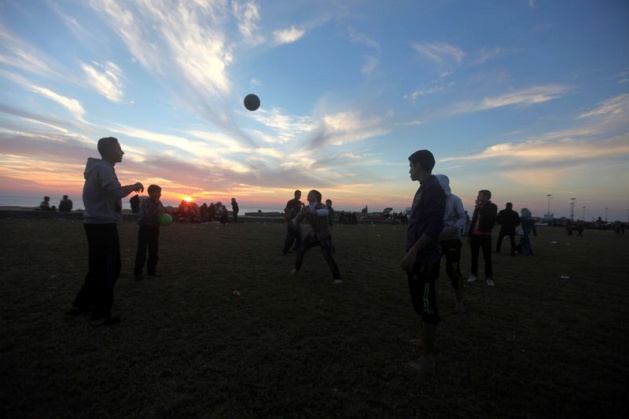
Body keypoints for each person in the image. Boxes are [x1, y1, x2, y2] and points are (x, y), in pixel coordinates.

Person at [66, 137, 144, 326]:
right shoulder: (103, 168)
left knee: (97, 267)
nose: (122, 152)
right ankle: (101, 313)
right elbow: (116, 192)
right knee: (110, 268)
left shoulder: (99, 169)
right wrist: (134, 187)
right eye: (119, 148)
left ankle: (81, 303)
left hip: (94, 223)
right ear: (109, 150)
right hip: (102, 225)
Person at [401, 150, 445, 373]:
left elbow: (435, 228)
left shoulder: (433, 190)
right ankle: (423, 340)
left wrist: (413, 252)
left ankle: (427, 359)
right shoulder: (424, 188)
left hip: (425, 258)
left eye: (410, 165)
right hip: (418, 256)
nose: (409, 169)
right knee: (419, 303)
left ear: (419, 165)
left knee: (427, 307)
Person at [291, 190, 342, 284]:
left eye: (310, 194)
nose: (308, 195)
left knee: (327, 256)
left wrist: (313, 212)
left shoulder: (321, 206)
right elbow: (297, 218)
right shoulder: (305, 208)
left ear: (315, 197)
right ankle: (297, 268)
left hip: (324, 235)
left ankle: (337, 278)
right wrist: (292, 221)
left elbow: (325, 212)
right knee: (300, 250)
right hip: (312, 235)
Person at [435, 174, 467, 312]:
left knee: (453, 270)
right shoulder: (432, 199)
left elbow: (462, 218)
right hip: (435, 240)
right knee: (432, 269)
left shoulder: (455, 200)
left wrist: (452, 229)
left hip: (452, 240)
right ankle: (434, 298)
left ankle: (459, 301)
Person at [467, 190, 498, 286]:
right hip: (475, 235)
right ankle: (473, 274)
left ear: (486, 196)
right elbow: (474, 221)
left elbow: (489, 216)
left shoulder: (492, 207)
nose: (478, 196)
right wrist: (469, 234)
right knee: (474, 256)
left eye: (480, 195)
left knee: (487, 257)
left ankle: (489, 277)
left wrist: (479, 207)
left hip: (485, 235)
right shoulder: (478, 207)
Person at [133, 185, 164, 279]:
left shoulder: (159, 203)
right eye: (157, 192)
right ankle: (138, 272)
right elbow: (144, 215)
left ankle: (151, 271)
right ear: (150, 193)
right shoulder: (144, 202)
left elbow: (160, 214)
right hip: (145, 228)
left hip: (155, 229)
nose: (159, 194)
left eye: (160, 193)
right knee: (141, 251)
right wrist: (155, 206)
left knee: (153, 251)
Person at [282, 190, 304, 255]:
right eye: (298, 194)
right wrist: (291, 212)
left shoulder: (300, 203)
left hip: (297, 222)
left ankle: (296, 248)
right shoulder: (290, 202)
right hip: (291, 222)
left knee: (299, 236)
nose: (299, 195)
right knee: (290, 237)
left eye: (300, 194)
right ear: (295, 194)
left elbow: (300, 212)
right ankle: (285, 250)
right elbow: (286, 210)